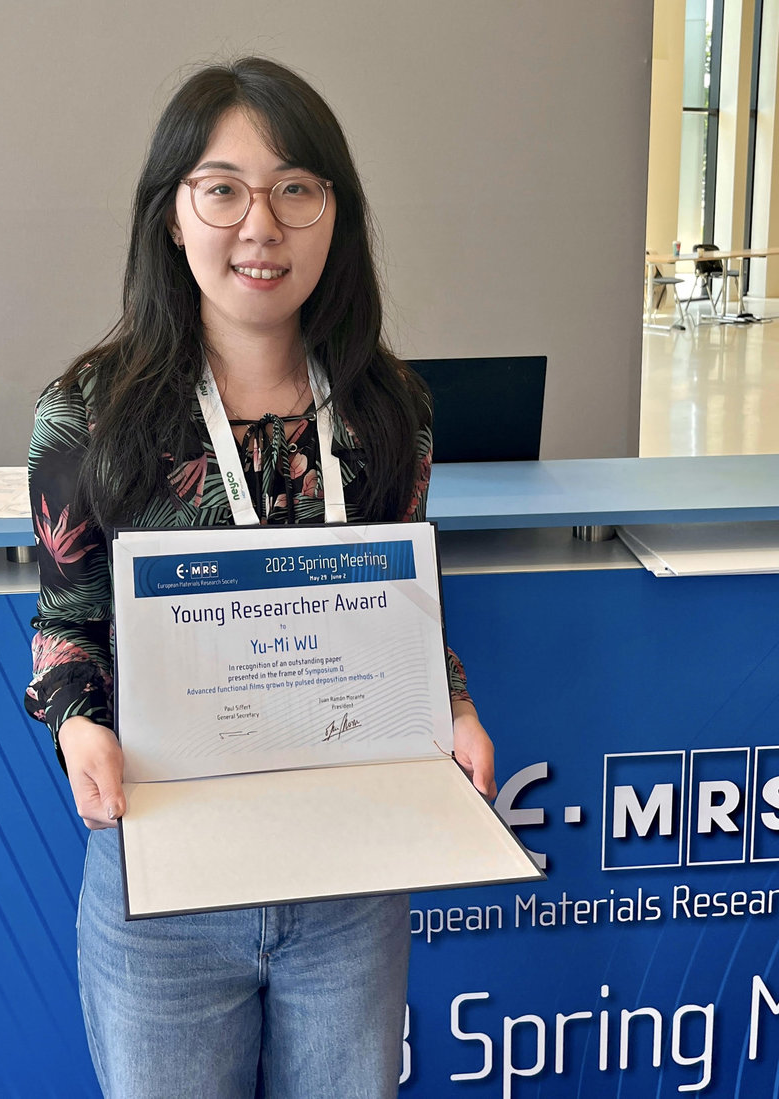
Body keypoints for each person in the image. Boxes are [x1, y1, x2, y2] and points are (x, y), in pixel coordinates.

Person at [25, 56, 495, 1099]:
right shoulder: (87, 417)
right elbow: (64, 625)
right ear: (171, 216)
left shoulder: (388, 410)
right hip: (169, 891)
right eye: (223, 189)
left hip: (347, 885)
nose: (260, 226)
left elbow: (401, 609)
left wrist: (448, 703)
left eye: (295, 189)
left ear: (336, 213)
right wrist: (77, 726)